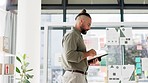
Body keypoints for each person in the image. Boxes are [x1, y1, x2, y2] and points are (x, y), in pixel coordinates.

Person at [61, 9, 99, 83]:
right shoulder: (72, 35)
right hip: (75, 77)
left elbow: (74, 60)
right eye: (88, 24)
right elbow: (70, 56)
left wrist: (87, 62)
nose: (89, 28)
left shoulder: (77, 36)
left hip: (77, 76)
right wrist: (88, 53)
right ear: (81, 21)